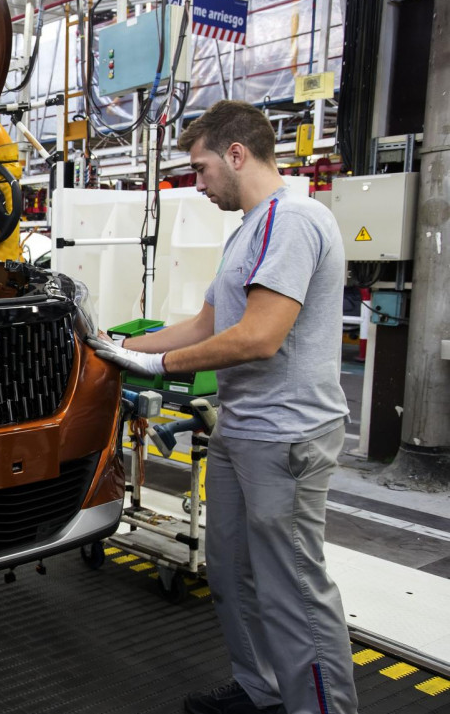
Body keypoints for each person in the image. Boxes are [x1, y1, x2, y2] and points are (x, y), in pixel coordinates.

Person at [89, 100, 356, 714]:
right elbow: (209, 321)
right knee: (234, 577)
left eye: (202, 168)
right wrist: (116, 345)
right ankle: (262, 690)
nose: (199, 183)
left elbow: (258, 336)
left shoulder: (294, 221)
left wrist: (154, 367)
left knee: (293, 591)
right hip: (243, 430)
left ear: (237, 154)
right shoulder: (249, 231)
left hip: (285, 437)